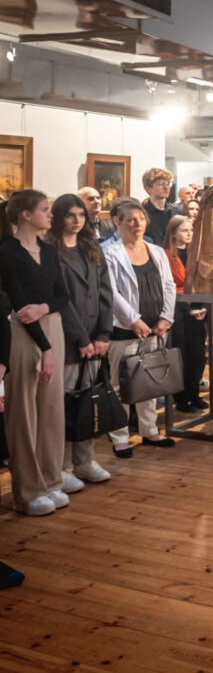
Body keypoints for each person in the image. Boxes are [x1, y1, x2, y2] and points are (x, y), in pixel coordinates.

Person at [0, 190, 70, 515]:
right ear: (26, 214)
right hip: (23, 332)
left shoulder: (49, 250)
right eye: (45, 209)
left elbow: (61, 296)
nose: (50, 215)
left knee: (52, 409)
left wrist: (44, 307)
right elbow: (18, 302)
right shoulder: (6, 252)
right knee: (23, 412)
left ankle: (51, 479)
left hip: (51, 324)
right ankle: (27, 491)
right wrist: (45, 348)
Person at [47, 194, 114, 492]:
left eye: (80, 215)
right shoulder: (50, 250)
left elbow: (105, 292)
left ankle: (85, 460)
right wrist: (81, 338)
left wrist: (103, 334)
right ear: (58, 217)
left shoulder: (91, 246)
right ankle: (60, 468)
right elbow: (58, 300)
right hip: (67, 337)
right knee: (64, 404)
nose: (76, 221)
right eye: (70, 215)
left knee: (88, 401)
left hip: (94, 338)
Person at [101, 199, 177, 458]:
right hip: (124, 327)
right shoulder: (108, 251)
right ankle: (120, 436)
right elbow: (110, 291)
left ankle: (149, 430)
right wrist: (133, 319)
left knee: (150, 381)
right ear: (117, 222)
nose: (137, 224)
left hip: (156, 327)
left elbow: (169, 286)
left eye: (141, 219)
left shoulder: (155, 250)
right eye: (131, 219)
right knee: (119, 384)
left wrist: (166, 318)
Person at [162, 216, 209, 413]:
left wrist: (203, 306)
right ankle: (181, 397)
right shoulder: (164, 254)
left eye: (191, 230)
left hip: (198, 308)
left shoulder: (196, 253)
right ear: (173, 233)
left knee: (197, 355)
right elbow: (168, 287)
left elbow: (205, 282)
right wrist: (190, 306)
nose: (189, 234)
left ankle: (193, 393)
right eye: (184, 230)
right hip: (176, 311)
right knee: (179, 355)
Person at [141, 168, 177, 244]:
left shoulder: (177, 211)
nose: (166, 187)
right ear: (148, 189)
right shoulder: (142, 213)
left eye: (168, 183)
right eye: (160, 184)